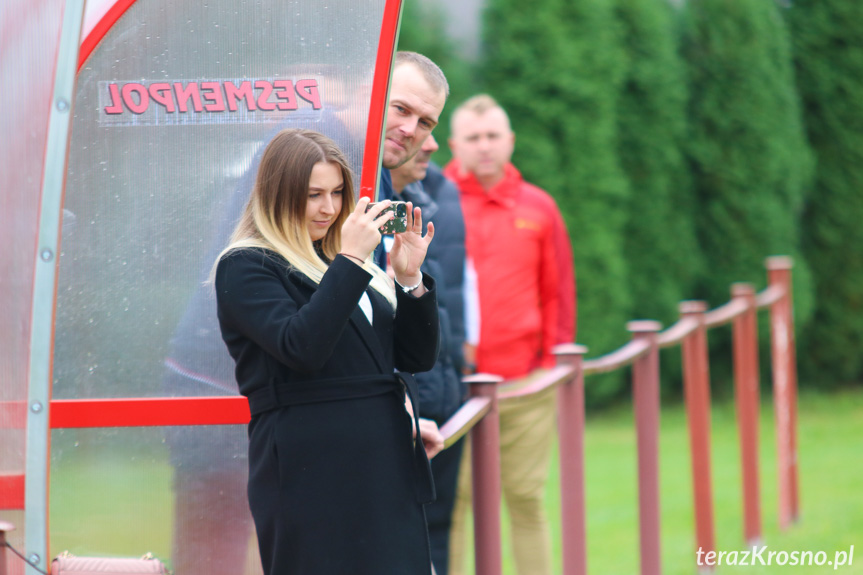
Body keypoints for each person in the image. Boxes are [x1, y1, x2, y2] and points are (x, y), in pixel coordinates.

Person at [213, 128, 444, 574]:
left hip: (383, 464)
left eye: (338, 192)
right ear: (276, 195)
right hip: (309, 471)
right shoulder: (245, 265)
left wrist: (408, 279)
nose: (329, 207)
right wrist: (353, 261)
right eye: (313, 194)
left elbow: (414, 359)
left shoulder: (337, 260)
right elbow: (301, 347)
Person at [444, 94, 576, 575]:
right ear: (454, 143)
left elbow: (558, 291)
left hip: (524, 382)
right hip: (455, 382)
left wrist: (551, 367)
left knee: (525, 497)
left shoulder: (540, 207)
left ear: (511, 141)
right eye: (473, 138)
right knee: (451, 505)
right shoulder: (433, 198)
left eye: (493, 136)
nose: (484, 147)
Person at [390, 134, 472, 575]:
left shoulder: (439, 192)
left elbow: (458, 285)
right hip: (398, 397)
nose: (430, 141)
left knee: (437, 528)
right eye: (405, 114)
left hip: (441, 387)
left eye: (429, 122)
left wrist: (461, 361)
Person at [373, 50, 449, 269]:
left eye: (425, 123)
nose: (410, 130)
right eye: (401, 109)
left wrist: (407, 284)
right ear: (368, 93)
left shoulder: (382, 174)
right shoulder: (320, 159)